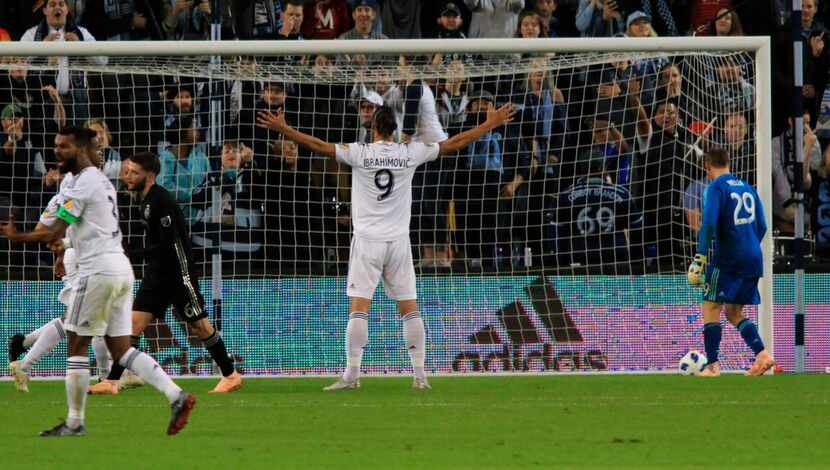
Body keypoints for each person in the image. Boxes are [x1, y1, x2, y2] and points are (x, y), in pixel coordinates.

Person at [256, 102, 517, 390]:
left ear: (373, 128)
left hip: (368, 241)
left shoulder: (360, 152)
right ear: (395, 129)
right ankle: (420, 375)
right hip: (399, 243)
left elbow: (319, 146)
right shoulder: (410, 152)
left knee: (359, 309)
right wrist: (489, 124)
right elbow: (454, 143)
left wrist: (284, 129)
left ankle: (352, 375)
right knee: (410, 309)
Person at [0, 127, 195, 436]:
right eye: (55, 145)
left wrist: (15, 236)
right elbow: (83, 227)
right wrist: (63, 246)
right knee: (121, 350)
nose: (57, 151)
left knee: (76, 341)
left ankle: (74, 422)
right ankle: (176, 395)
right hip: (119, 269)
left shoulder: (84, 182)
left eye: (63, 146)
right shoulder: (94, 181)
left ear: (79, 149)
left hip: (98, 272)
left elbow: (53, 230)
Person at [89, 152, 242, 395]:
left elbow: (170, 244)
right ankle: (112, 381)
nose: (128, 177)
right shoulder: (145, 200)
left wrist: (133, 254)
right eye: (127, 171)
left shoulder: (161, 200)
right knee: (133, 326)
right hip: (157, 274)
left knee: (199, 326)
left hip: (178, 274)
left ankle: (230, 375)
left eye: (134, 173)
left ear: (149, 176)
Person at [687, 148, 775, 377]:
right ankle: (763, 354)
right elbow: (763, 225)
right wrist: (748, 243)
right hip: (754, 256)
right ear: (729, 162)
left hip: (729, 257)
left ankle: (713, 365)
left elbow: (708, 224)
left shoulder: (715, 187)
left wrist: (700, 258)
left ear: (707, 165)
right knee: (734, 312)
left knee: (710, 304)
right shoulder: (748, 187)